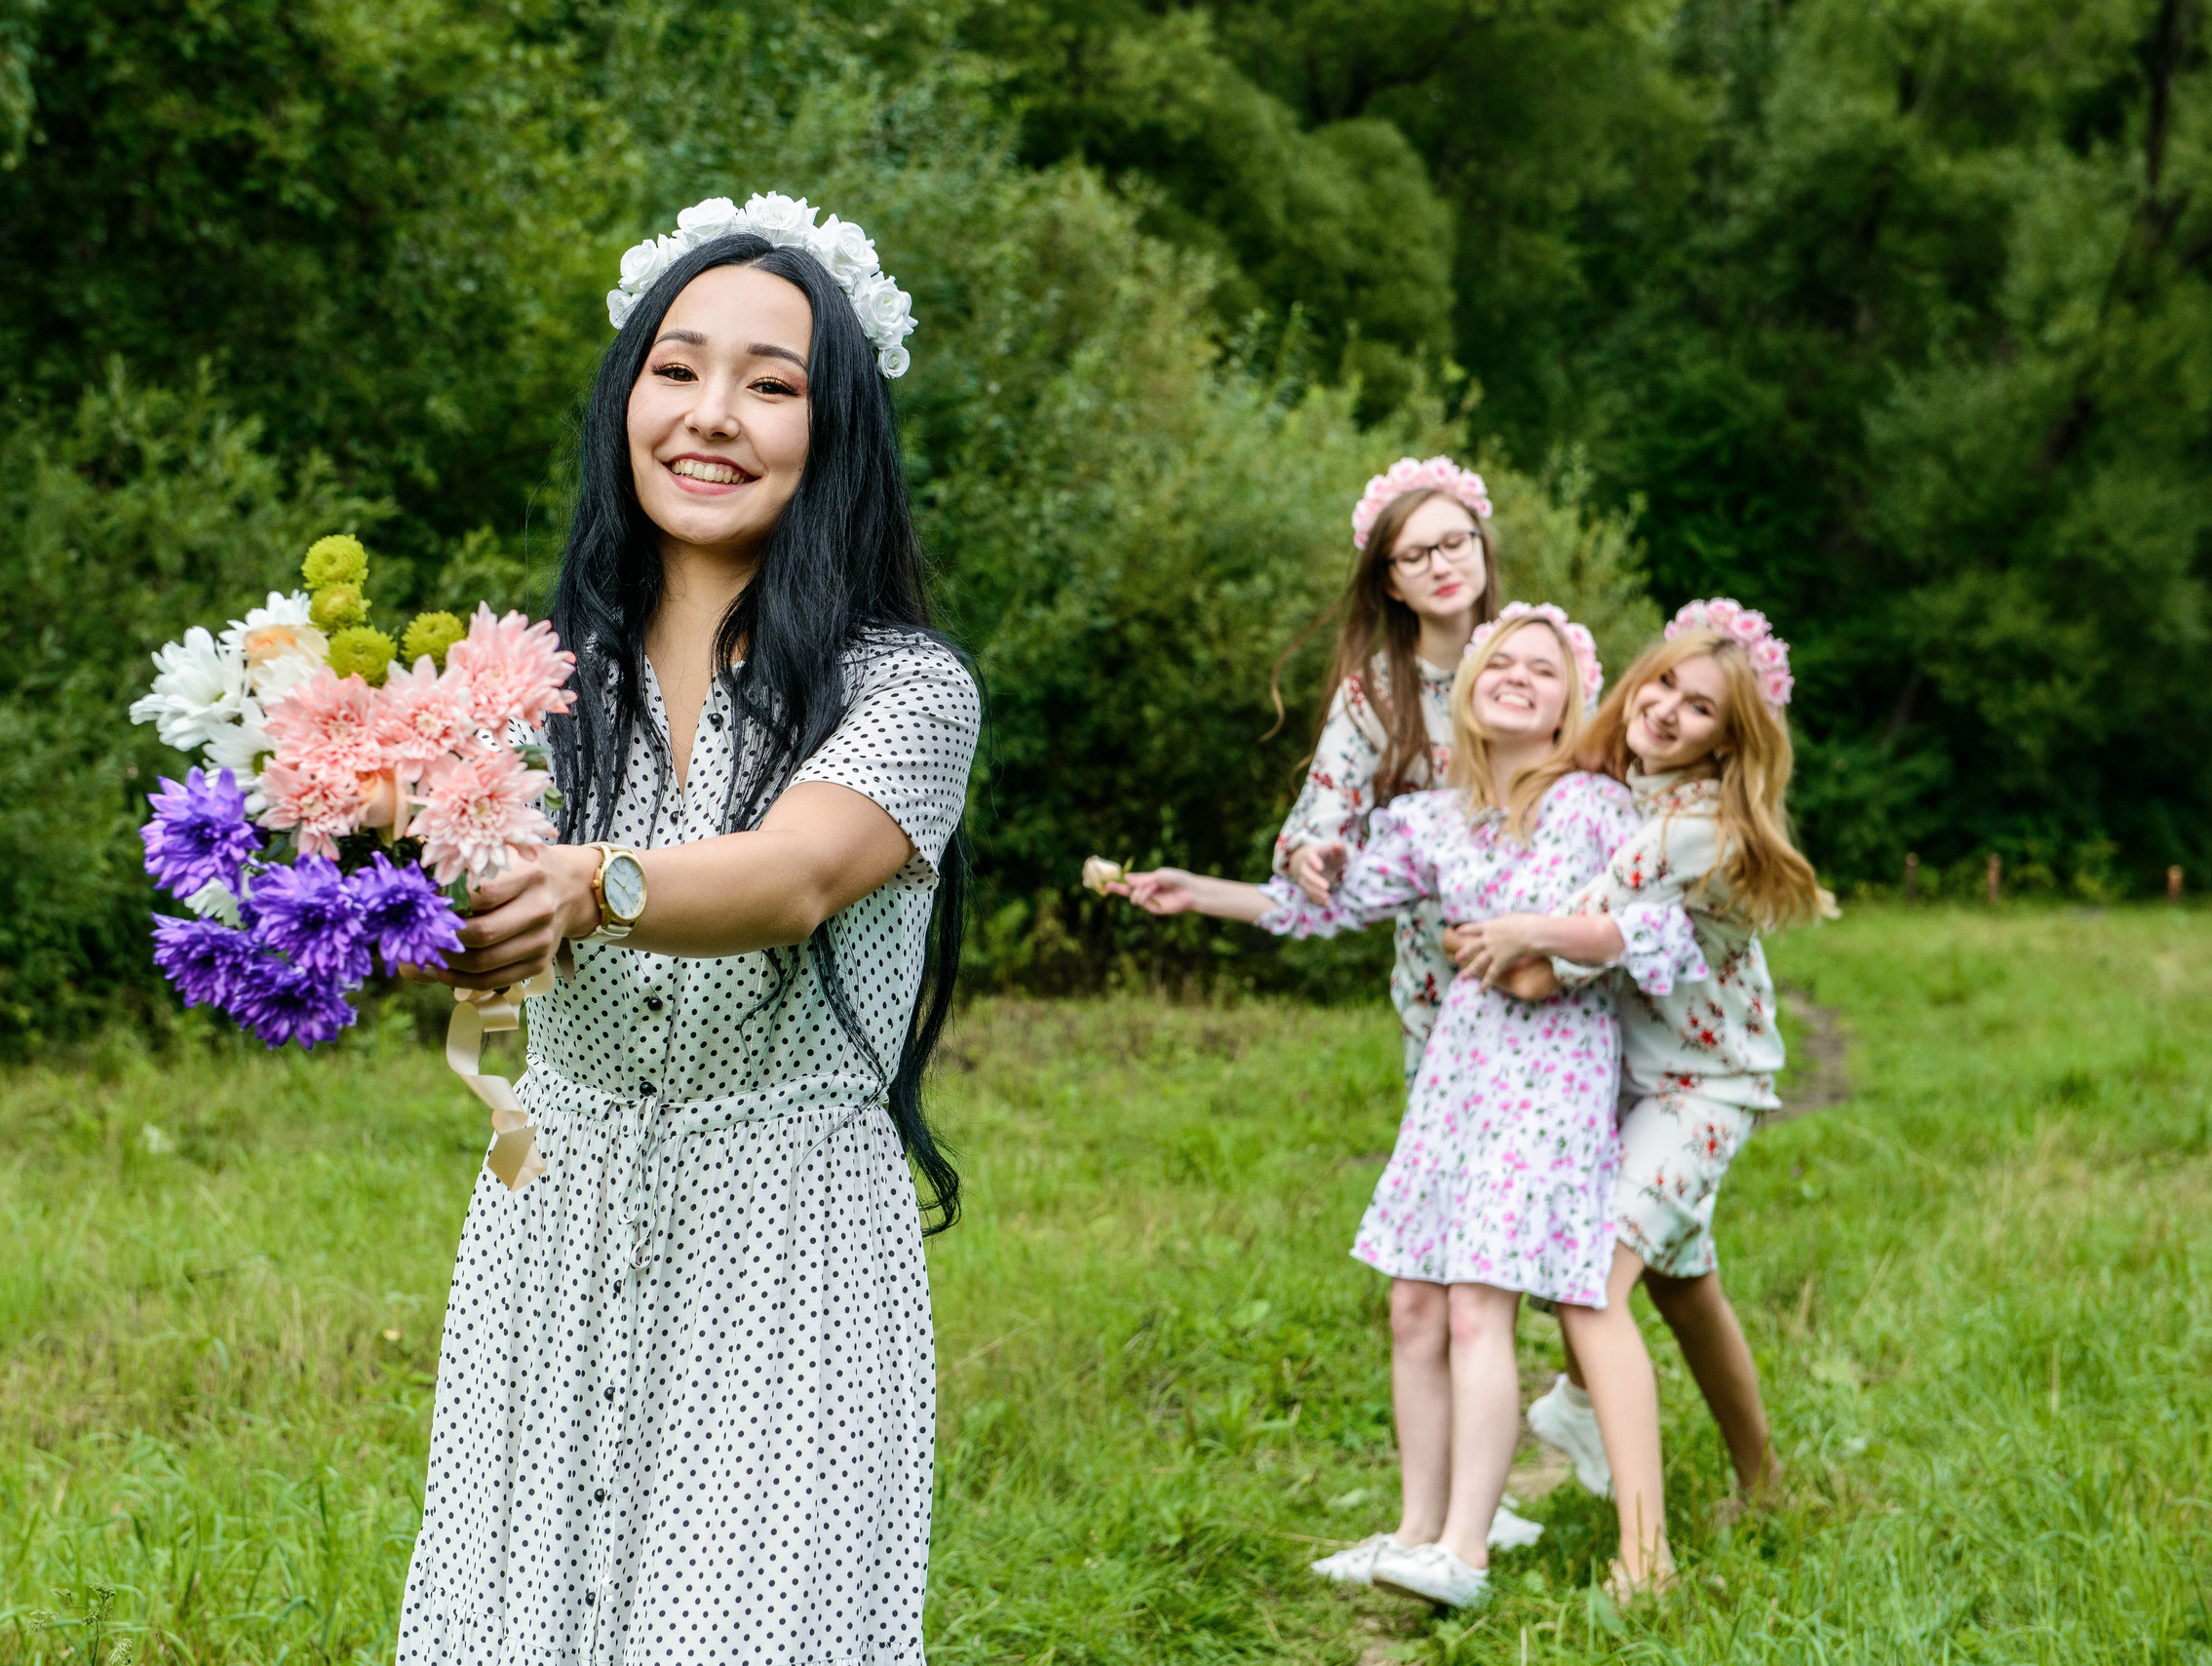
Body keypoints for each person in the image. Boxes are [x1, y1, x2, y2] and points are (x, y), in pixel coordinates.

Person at [392, 194, 978, 1665]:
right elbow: (470, 910)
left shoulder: (906, 690)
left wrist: (593, 883)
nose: (713, 415)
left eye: (772, 384)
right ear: (625, 398)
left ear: (832, 429)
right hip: (554, 1213)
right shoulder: (523, 690)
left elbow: (792, 874)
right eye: (678, 368)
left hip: (786, 1246)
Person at [1107, 605, 1679, 1608]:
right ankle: (1415, 1528)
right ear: (1469, 685)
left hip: (1545, 1084)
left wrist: (1539, 943)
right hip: (1457, 1079)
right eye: (1502, 660)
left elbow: (1653, 937)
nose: (1517, 676)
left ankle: (1462, 1551)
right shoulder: (1429, 817)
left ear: (1565, 705)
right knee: (1412, 1301)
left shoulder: (1595, 808)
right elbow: (1320, 904)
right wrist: (1195, 891)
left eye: (1543, 671)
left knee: (1474, 1304)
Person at [1449, 599, 1829, 1600]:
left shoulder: (1691, 830)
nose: (1665, 709)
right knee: (1681, 1283)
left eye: (1699, 708)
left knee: (1591, 1282)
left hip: (1702, 1086)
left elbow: (1552, 952)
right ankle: (1763, 1483)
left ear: (1727, 741)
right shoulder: (1626, 787)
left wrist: (1520, 937)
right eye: (1660, 683)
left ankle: (1645, 1556)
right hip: (1631, 1075)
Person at [1272, 458, 1502, 1077]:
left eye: (1454, 542)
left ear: (1481, 546)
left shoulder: (1543, 661)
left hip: (1553, 958)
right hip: (1439, 975)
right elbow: (1322, 814)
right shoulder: (1373, 693)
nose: (1441, 563)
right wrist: (1312, 855)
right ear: (1392, 583)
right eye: (1415, 554)